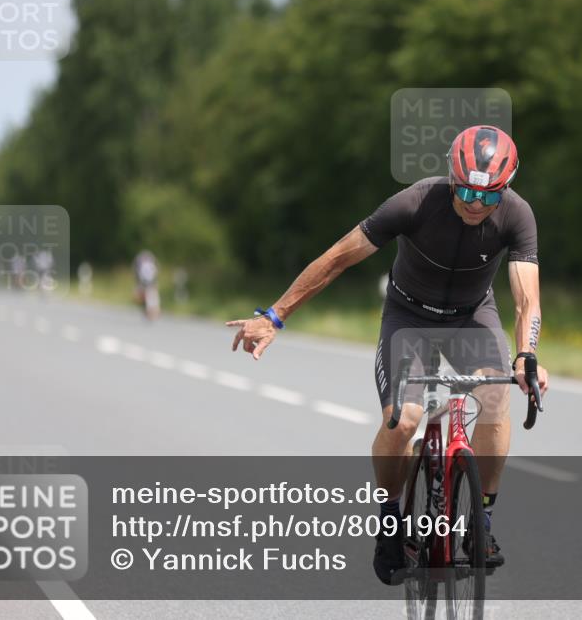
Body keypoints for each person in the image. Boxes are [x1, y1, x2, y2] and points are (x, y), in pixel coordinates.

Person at [228, 125, 549, 585]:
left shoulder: (518, 215)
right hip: (409, 318)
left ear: (506, 190)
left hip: (470, 318)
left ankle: (483, 524)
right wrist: (274, 316)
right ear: (450, 176)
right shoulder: (414, 203)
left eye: (490, 198)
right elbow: (338, 257)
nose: (477, 205)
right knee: (405, 418)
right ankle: (389, 521)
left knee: (497, 401)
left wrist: (527, 355)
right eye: (466, 193)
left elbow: (525, 299)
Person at [133, 250, 160, 319]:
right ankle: (150, 312)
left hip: (148, 282)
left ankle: (151, 312)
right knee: (147, 297)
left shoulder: (148, 265)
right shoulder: (148, 264)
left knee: (151, 298)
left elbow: (154, 274)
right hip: (145, 282)